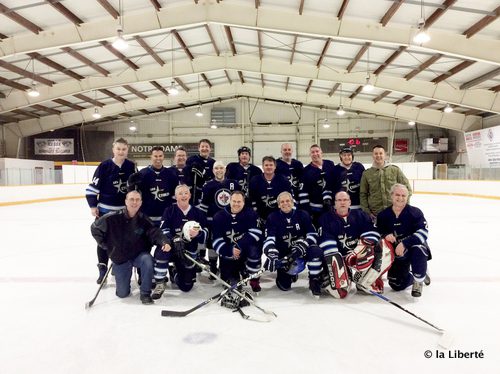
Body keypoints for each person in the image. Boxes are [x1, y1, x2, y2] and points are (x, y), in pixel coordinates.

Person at [90, 190, 171, 304]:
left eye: (137, 200)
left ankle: (145, 293)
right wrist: (106, 245)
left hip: (138, 256)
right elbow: (95, 228)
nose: (134, 202)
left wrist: (164, 242)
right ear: (126, 202)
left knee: (147, 259)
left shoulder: (144, 220)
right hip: (121, 258)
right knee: (122, 294)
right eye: (132, 199)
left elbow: (156, 232)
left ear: (141, 202)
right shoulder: (112, 218)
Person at [318, 191, 392, 298]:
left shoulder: (360, 215)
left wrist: (357, 252)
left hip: (358, 256)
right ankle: (327, 278)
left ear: (350, 202)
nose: (342, 202)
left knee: (385, 246)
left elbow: (372, 232)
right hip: (339, 258)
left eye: (345, 200)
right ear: (335, 203)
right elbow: (327, 244)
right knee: (340, 293)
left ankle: (366, 282)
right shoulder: (326, 219)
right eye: (339, 200)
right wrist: (343, 262)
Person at [85, 137, 137, 284]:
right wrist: (93, 205)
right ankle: (102, 270)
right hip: (105, 212)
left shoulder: (131, 166)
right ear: (113, 149)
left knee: (122, 241)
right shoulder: (104, 166)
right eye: (118, 149)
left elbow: (136, 190)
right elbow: (92, 189)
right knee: (103, 241)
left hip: (124, 213)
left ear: (127, 150)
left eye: (124, 149)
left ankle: (117, 264)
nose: (121, 152)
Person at [151, 184, 208, 299]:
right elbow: (163, 230)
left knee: (187, 286)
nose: (183, 196)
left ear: (190, 195)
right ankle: (160, 283)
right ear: (175, 197)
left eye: (186, 193)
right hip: (171, 247)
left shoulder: (197, 213)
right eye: (180, 194)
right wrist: (173, 239)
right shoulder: (169, 211)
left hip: (188, 251)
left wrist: (198, 233)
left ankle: (174, 272)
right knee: (162, 251)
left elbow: (205, 233)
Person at [263, 191, 322, 296]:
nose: (285, 203)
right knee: (284, 286)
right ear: (278, 204)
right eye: (282, 202)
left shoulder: (303, 215)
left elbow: (313, 235)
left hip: (299, 251)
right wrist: (271, 253)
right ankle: (290, 275)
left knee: (315, 251)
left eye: (287, 201)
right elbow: (269, 239)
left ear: (292, 202)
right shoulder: (273, 217)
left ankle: (314, 279)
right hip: (284, 254)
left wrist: (304, 243)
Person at [376, 184, 431, 297]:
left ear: (407, 197)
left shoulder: (415, 213)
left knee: (418, 248)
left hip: (412, 249)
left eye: (403, 195)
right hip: (397, 254)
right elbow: (378, 232)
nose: (400, 198)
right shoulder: (383, 215)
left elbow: (423, 233)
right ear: (391, 196)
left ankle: (418, 279)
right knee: (396, 284)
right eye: (397, 195)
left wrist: (405, 243)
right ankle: (416, 275)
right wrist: (385, 235)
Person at [212, 191, 263, 293]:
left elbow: (256, 233)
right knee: (232, 285)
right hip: (229, 254)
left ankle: (254, 279)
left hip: (245, 251)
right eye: (234, 201)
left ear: (244, 202)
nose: (236, 204)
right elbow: (216, 241)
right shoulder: (219, 216)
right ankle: (234, 275)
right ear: (229, 201)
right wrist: (229, 250)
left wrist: (239, 246)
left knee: (254, 250)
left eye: (239, 202)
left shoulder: (251, 214)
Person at [198, 161, 241, 275]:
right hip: (213, 221)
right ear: (213, 170)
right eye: (216, 168)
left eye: (221, 168)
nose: (219, 170)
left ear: (225, 169)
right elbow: (203, 206)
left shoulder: (234, 184)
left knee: (228, 242)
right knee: (212, 244)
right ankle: (213, 266)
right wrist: (203, 221)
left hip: (230, 221)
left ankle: (226, 267)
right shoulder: (208, 186)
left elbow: (239, 202)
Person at [360, 145, 412, 219]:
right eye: (376, 153)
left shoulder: (395, 170)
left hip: (395, 213)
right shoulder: (367, 174)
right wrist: (367, 212)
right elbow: (363, 194)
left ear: (385, 155)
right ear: (373, 156)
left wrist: (405, 207)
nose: (378, 156)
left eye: (381, 153)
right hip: (376, 215)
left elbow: (407, 190)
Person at [127, 146, 174, 226]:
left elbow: (175, 195)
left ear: (163, 157)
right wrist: (130, 185)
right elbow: (133, 194)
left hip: (165, 218)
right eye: (155, 156)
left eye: (160, 156)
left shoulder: (170, 174)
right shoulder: (142, 173)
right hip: (146, 218)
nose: (158, 158)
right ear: (151, 157)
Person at [298, 144, 335, 226]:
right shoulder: (306, 171)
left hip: (332, 208)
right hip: (316, 210)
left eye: (317, 151)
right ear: (310, 155)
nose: (315, 154)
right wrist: (307, 213)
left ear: (321, 152)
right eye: (312, 152)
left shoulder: (330, 164)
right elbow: (303, 194)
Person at [249, 156, 292, 223]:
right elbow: (251, 200)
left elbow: (290, 198)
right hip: (261, 218)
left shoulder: (283, 180)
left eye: (271, 165)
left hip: (280, 218)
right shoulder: (255, 180)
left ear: (275, 166)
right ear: (262, 167)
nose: (269, 167)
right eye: (266, 165)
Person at [185, 139, 215, 205]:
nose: (204, 148)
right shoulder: (191, 160)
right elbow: (187, 178)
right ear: (199, 148)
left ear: (210, 149)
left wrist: (204, 173)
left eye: (207, 146)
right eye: (202, 146)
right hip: (194, 198)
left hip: (208, 195)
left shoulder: (213, 163)